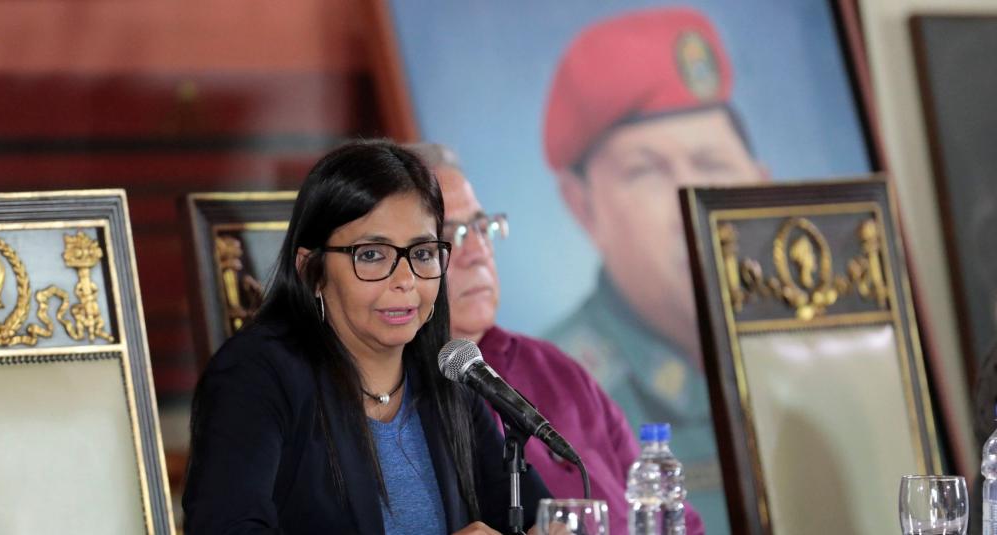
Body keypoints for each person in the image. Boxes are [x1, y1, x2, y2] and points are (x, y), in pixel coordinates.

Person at [183, 139, 551, 534]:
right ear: (312, 271)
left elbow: (537, 517)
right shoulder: (254, 378)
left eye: (422, 254)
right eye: (372, 255)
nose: (406, 280)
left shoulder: (449, 379)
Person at [541, 7, 769, 532]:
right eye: (646, 172)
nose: (689, 202)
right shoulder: (560, 395)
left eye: (712, 164)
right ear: (583, 208)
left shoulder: (824, 358)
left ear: (762, 184)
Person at [408, 142, 704, 534]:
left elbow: (669, 516)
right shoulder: (406, 398)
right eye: (451, 236)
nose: (478, 251)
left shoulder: (553, 366)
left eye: (481, 227)